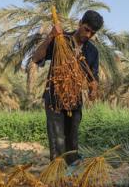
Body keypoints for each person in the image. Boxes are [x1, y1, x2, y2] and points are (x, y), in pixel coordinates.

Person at [32, 10, 103, 165]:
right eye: (87, 29)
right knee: (57, 142)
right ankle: (57, 173)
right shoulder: (60, 40)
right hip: (55, 100)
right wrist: (50, 36)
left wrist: (93, 89)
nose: (89, 35)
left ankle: (72, 172)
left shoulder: (92, 51)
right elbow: (36, 58)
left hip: (74, 101)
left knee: (72, 141)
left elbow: (93, 78)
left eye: (93, 32)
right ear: (79, 23)